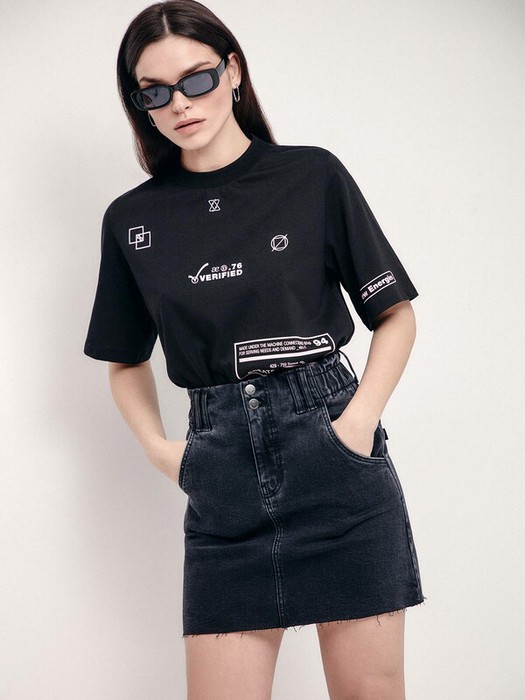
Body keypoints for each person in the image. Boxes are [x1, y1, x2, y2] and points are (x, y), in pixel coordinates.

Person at [83, 1, 425, 697]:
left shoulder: (312, 177)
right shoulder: (132, 218)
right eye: (154, 92)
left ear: (233, 71)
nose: (179, 104)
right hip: (221, 478)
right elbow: (124, 358)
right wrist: (161, 451)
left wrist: (356, 425)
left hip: (334, 459)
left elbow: (395, 316)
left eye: (196, 79)